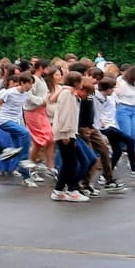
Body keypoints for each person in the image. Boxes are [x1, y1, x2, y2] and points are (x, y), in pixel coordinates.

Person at [51, 72, 88, 202]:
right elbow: (65, 115)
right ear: (77, 83)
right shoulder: (67, 94)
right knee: (70, 162)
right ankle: (71, 190)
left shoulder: (69, 93)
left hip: (67, 132)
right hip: (64, 132)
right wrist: (66, 133)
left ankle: (59, 190)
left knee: (69, 162)